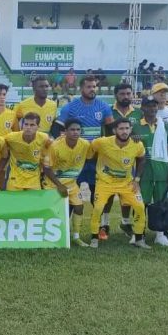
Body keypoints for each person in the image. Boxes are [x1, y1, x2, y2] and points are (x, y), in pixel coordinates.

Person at [54, 75, 114, 227]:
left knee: (97, 192)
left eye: (94, 86)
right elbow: (57, 128)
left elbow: (111, 131)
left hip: (95, 158)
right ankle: (64, 227)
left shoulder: (103, 106)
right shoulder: (71, 107)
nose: (92, 89)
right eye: (89, 87)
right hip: (76, 158)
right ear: (81, 88)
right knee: (70, 193)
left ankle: (101, 225)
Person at [88, 118, 149, 249]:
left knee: (140, 207)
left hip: (126, 183)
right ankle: (94, 238)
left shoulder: (137, 144)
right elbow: (90, 152)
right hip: (105, 183)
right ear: (115, 130)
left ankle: (139, 239)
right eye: (121, 129)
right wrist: (99, 168)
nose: (124, 131)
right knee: (98, 208)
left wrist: (137, 179)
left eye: (127, 128)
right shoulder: (102, 142)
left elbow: (142, 159)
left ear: (131, 130)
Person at [132, 96, 168, 247]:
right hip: (142, 169)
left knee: (161, 202)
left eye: (154, 106)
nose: (152, 108)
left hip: (161, 169)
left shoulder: (165, 125)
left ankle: (160, 234)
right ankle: (137, 233)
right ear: (142, 108)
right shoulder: (135, 126)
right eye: (148, 106)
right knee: (140, 203)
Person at [43, 119, 90, 247]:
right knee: (52, 211)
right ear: (65, 132)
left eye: (78, 130)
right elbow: (46, 168)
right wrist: (59, 185)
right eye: (72, 130)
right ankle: (51, 235)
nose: (75, 132)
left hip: (72, 184)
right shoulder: (55, 146)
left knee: (79, 207)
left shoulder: (85, 144)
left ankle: (76, 237)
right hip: (54, 184)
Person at [2, 112, 52, 191]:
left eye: (32, 125)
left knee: (35, 203)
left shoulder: (44, 138)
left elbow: (53, 146)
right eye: (26, 124)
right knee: (12, 203)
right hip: (14, 181)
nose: (28, 127)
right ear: (22, 125)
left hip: (34, 182)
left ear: (38, 127)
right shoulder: (11, 137)